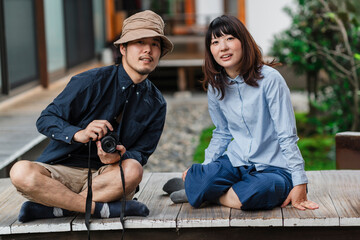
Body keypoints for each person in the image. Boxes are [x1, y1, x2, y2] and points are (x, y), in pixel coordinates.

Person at [10, 10, 173, 222]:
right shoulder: (90, 81)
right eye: (139, 42)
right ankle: (102, 209)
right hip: (60, 172)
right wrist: (78, 133)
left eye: (155, 44)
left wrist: (118, 157)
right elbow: (46, 119)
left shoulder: (156, 104)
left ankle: (60, 208)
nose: (148, 50)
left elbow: (140, 154)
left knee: (133, 169)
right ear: (122, 48)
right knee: (20, 171)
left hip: (106, 179)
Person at [163, 15, 319, 211]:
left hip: (274, 168)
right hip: (237, 161)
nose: (223, 47)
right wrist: (206, 169)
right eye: (215, 42)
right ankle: (204, 187)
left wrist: (300, 182)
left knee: (255, 190)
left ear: (243, 42)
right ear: (210, 50)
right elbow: (222, 132)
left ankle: (205, 193)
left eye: (229, 38)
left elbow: (287, 135)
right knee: (205, 178)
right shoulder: (216, 85)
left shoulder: (270, 80)